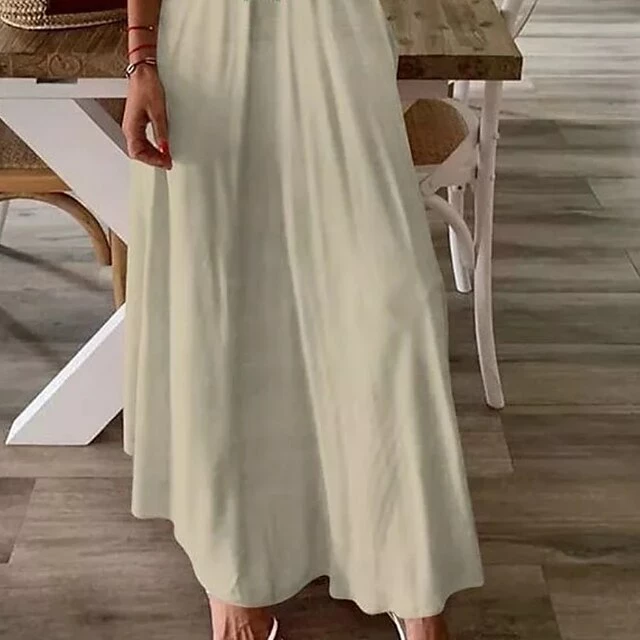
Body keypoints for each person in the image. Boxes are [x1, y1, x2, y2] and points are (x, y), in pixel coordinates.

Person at [121, 1, 484, 639]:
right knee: (223, 302)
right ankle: (236, 570)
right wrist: (141, 57)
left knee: (393, 304)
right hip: (207, 48)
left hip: (338, 37)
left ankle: (409, 565)